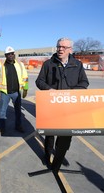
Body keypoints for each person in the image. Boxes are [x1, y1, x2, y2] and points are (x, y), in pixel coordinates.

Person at [35, 37, 89, 167]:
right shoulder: (48, 64)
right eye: (58, 46)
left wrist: (72, 92)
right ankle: (47, 155)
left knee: (65, 135)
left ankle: (60, 154)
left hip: (69, 106)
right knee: (50, 134)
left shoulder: (77, 64)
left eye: (63, 47)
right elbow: (39, 81)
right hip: (52, 106)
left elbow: (84, 82)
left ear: (70, 49)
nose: (60, 49)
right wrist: (49, 89)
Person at [0, 46, 29, 136]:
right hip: (5, 93)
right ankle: (2, 128)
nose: (10, 55)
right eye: (8, 54)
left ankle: (18, 126)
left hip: (16, 92)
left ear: (14, 54)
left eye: (12, 53)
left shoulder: (20, 64)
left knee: (18, 111)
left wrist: (25, 88)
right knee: (2, 112)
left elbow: (25, 77)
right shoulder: (0, 65)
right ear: (5, 55)